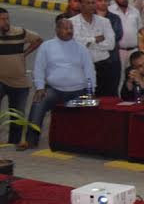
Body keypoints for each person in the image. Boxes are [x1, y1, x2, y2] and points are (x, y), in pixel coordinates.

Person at [25, 15, 95, 147]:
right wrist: (40, 88)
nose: (69, 31)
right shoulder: (47, 46)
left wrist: (91, 91)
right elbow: (39, 69)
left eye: (71, 28)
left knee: (92, 107)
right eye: (65, 28)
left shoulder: (81, 48)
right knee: (38, 103)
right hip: (54, 90)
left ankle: (84, 143)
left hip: (78, 92)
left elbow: (90, 71)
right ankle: (30, 140)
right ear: (57, 30)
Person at [0, 8, 42, 141]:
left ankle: (14, 144)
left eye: (7, 18)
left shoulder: (19, 32)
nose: (6, 22)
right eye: (2, 19)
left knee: (17, 118)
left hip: (19, 83)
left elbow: (38, 39)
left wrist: (25, 53)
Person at [70, 0, 116, 96]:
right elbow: (76, 44)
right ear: (81, 5)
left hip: (103, 66)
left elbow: (111, 44)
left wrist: (88, 43)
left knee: (105, 98)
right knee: (85, 98)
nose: (91, 6)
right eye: (88, 3)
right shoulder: (72, 22)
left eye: (93, 3)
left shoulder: (104, 22)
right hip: (82, 68)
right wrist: (95, 39)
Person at [93, 0, 124, 97]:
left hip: (112, 62)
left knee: (111, 94)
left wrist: (95, 39)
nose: (103, 3)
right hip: (93, 63)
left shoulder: (115, 19)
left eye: (105, 0)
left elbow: (115, 38)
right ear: (94, 1)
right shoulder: (88, 18)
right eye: (100, 0)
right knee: (93, 94)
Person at [109, 0, 141, 66]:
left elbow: (140, 30)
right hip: (118, 52)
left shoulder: (135, 11)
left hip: (134, 51)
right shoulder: (110, 11)